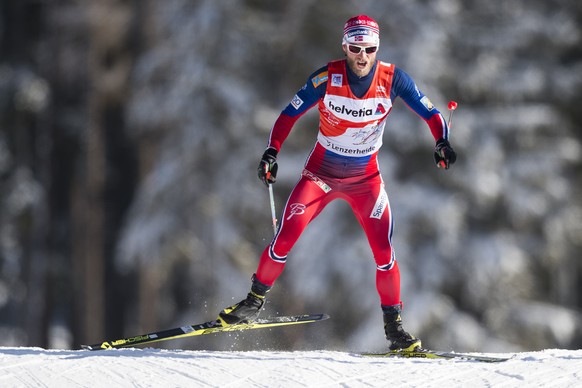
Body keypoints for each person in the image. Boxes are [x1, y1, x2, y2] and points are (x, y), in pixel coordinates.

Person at [218, 15, 456, 351]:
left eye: (369, 48)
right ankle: (253, 302)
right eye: (356, 48)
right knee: (286, 236)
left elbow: (431, 113)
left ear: (377, 48)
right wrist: (271, 152)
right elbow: (289, 114)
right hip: (321, 175)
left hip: (366, 180)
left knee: (384, 254)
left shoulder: (393, 79)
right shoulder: (327, 77)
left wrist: (441, 142)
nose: (362, 56)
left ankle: (395, 330)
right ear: (345, 46)